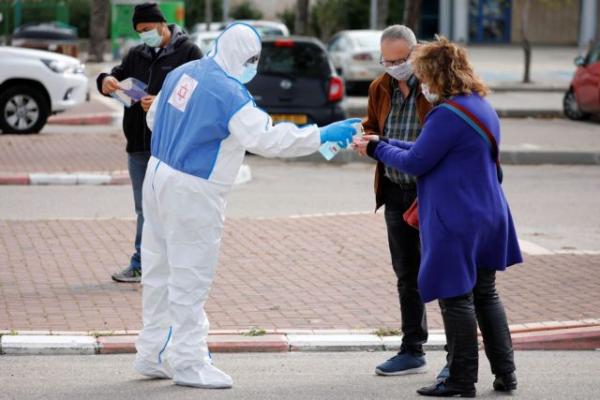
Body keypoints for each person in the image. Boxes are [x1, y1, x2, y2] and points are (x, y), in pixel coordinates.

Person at [134, 22, 360, 389]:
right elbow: (267, 139)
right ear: (243, 56)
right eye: (253, 59)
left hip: (159, 174)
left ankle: (152, 353)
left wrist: (185, 136)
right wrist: (321, 135)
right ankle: (189, 362)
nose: (254, 66)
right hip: (195, 188)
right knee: (190, 276)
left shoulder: (183, 72)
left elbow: (153, 117)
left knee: (158, 270)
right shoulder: (230, 93)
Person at [353, 36, 522, 398]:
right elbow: (428, 148)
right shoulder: (478, 106)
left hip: (457, 217)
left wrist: (376, 149)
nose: (423, 84)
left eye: (425, 77)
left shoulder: (446, 113)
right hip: (489, 211)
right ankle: (506, 374)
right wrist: (384, 141)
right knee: (486, 294)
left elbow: (417, 162)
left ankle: (461, 379)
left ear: (439, 76)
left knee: (455, 297)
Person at [96, 2, 202, 283]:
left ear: (162, 24)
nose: (144, 35)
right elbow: (116, 75)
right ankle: (141, 263)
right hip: (139, 146)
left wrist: (161, 102)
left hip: (171, 148)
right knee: (145, 208)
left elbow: (200, 95)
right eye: (140, 31)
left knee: (174, 208)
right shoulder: (137, 54)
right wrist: (106, 80)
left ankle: (178, 265)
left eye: (148, 29)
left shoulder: (189, 53)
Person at [362, 25, 435, 377]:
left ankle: (459, 356)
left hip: (430, 193)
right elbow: (373, 127)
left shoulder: (434, 87)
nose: (394, 67)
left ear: (416, 52)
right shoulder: (380, 87)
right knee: (407, 274)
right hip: (394, 191)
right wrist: (365, 139)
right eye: (387, 61)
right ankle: (412, 349)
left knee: (444, 270)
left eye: (400, 60)